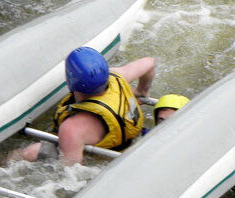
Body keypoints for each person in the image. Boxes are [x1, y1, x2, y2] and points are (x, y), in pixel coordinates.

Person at [10, 47, 155, 165]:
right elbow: (150, 62)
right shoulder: (117, 76)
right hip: (134, 140)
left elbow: (69, 174)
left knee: (30, 152)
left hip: (105, 159)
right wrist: (142, 90)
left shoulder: (72, 128)